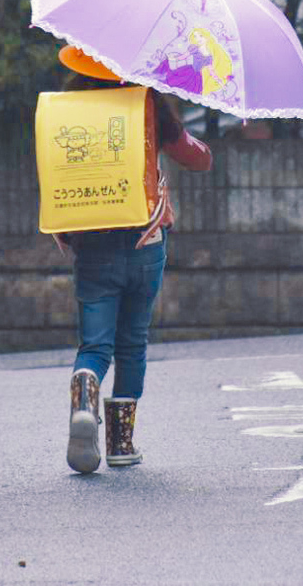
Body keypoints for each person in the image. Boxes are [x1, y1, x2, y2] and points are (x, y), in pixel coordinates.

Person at [53, 45, 212, 473]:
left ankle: (85, 395)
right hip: (146, 244)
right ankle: (121, 444)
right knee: (132, 343)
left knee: (95, 345)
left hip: (93, 247)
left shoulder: (66, 111)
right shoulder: (148, 105)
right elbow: (197, 158)